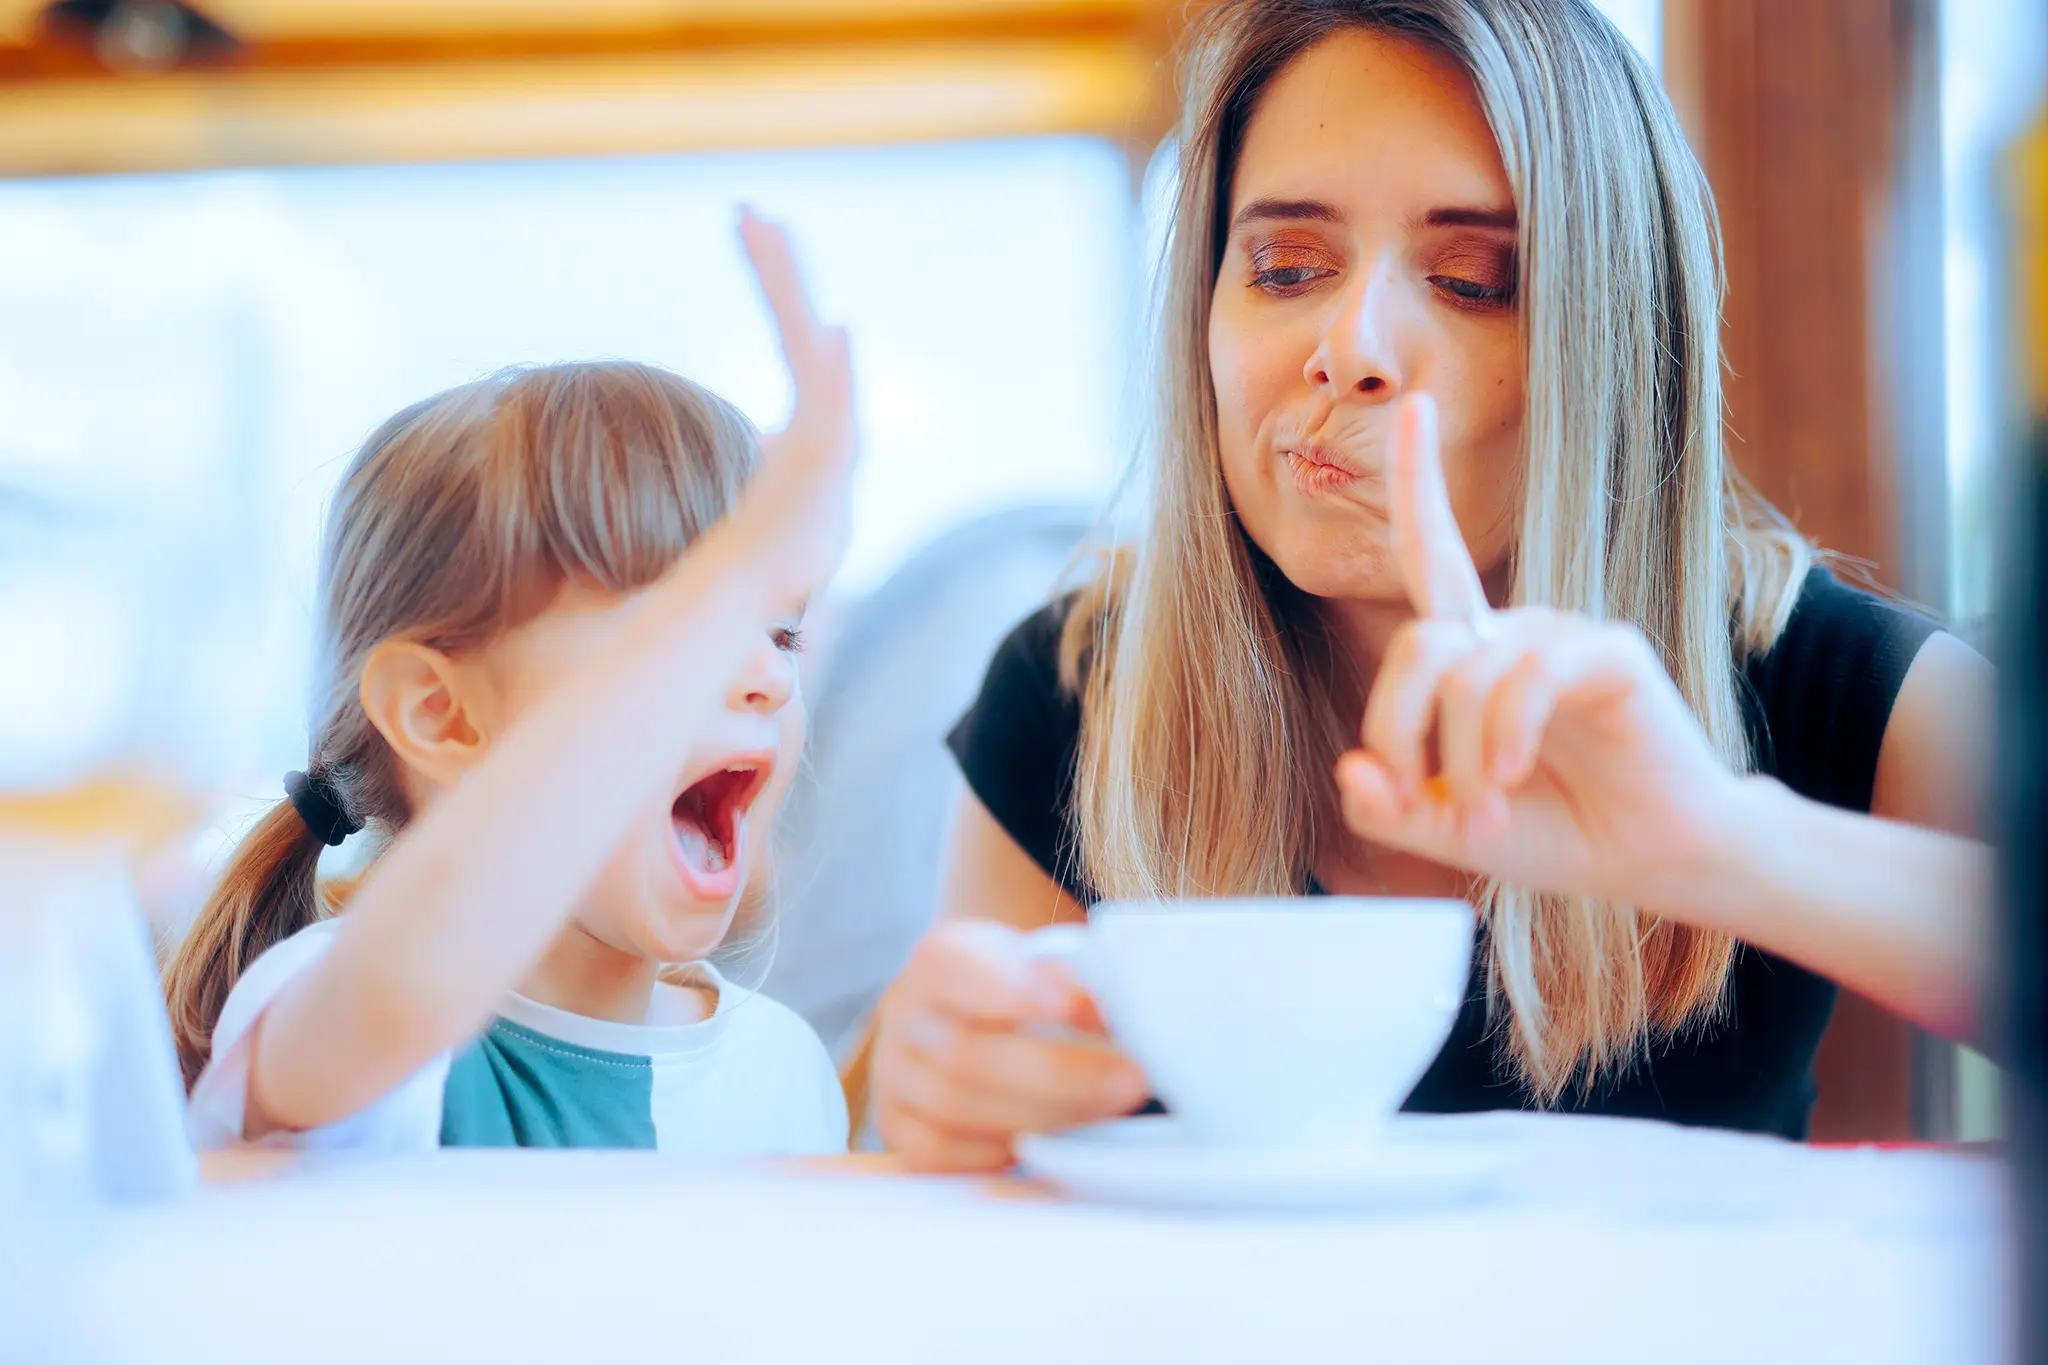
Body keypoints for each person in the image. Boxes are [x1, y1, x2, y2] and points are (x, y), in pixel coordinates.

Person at [867, 0, 1995, 1170]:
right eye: (1284, 266)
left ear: (1606, 343)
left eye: (1468, 280)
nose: (1350, 344)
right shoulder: (1075, 691)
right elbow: (973, 1190)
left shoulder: (1838, 684)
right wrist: (939, 1095)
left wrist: (1718, 846)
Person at [164, 212, 859, 1154]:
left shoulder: (779, 1072)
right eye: (672, 630)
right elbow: (410, 984)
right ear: (443, 716)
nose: (769, 676)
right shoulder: (323, 1007)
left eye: (777, 629)